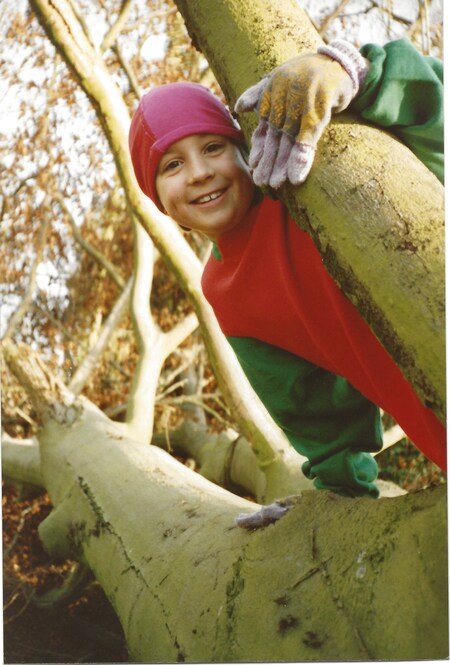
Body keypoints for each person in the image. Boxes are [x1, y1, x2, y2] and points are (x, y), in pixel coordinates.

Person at [129, 38, 445, 499]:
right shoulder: (225, 292)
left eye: (214, 146)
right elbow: (312, 409)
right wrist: (338, 505)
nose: (198, 172)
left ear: (243, 150)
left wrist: (359, 75)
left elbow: (434, 118)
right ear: (159, 200)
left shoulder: (312, 175)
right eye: (172, 164)